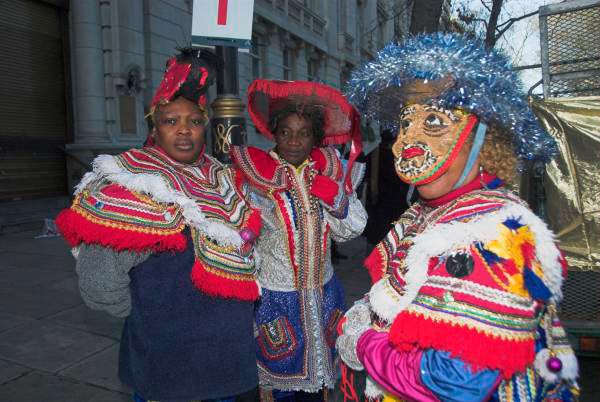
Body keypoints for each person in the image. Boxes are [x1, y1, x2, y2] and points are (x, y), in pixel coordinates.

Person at [336, 33, 579, 401]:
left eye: (433, 121)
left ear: (484, 137)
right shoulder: (422, 214)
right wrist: (365, 313)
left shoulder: (494, 230)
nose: (406, 141)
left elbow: (454, 380)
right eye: (405, 123)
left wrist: (365, 343)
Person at [56, 48, 262, 402]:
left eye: (194, 121)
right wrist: (150, 324)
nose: (184, 131)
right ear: (154, 126)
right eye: (171, 121)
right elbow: (100, 284)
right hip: (168, 367)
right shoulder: (132, 184)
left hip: (232, 362)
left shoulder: (222, 178)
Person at [230, 79, 368, 401]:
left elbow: (353, 229)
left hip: (323, 297)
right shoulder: (254, 178)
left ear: (314, 138)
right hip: (275, 303)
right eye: (286, 132)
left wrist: (335, 197)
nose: (293, 141)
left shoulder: (328, 172)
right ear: (274, 133)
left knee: (318, 387)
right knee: (278, 388)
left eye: (303, 133)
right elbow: (237, 239)